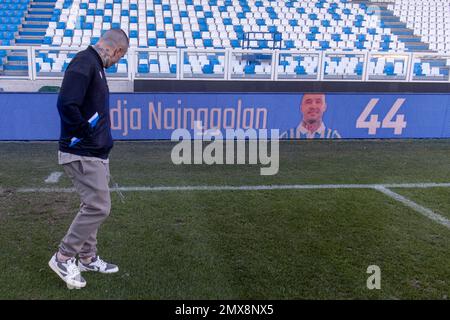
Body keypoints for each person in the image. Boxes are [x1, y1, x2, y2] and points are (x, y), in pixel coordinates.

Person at [48, 29, 129, 289]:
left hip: (94, 153)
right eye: (121, 56)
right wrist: (85, 133)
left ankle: (87, 257)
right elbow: (65, 103)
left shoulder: (94, 64)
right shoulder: (85, 62)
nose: (118, 61)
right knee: (98, 207)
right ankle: (63, 257)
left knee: (91, 206)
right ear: (116, 50)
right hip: (82, 153)